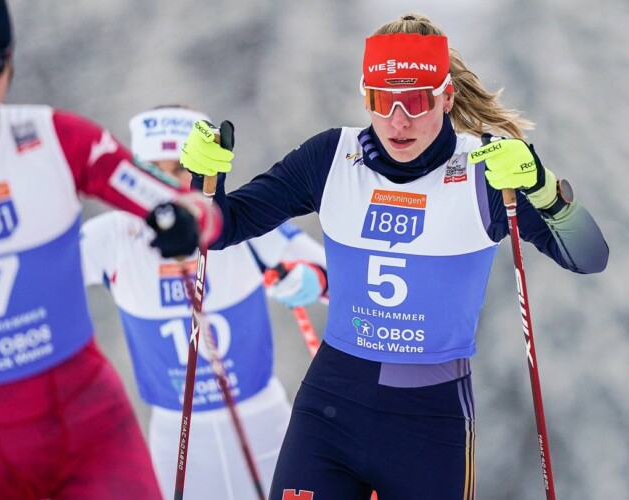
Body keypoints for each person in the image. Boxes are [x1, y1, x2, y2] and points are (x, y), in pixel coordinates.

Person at [154, 12, 610, 500]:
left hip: (430, 422)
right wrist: (207, 185)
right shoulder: (331, 157)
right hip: (329, 409)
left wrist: (542, 190)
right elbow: (224, 227)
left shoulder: (485, 169)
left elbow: (588, 256)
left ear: (446, 96)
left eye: (415, 101)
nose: (398, 120)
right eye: (381, 100)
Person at [0, 2, 218, 499]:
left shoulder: (54, 138)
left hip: (85, 424)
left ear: (10, 63)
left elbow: (185, 206)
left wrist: (185, 221)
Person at [79, 105, 328, 499]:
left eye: (179, 168)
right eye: (152, 169)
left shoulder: (237, 221)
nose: (165, 183)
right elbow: (43, 281)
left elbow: (330, 272)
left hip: (261, 419)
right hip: (173, 432)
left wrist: (309, 279)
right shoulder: (112, 236)